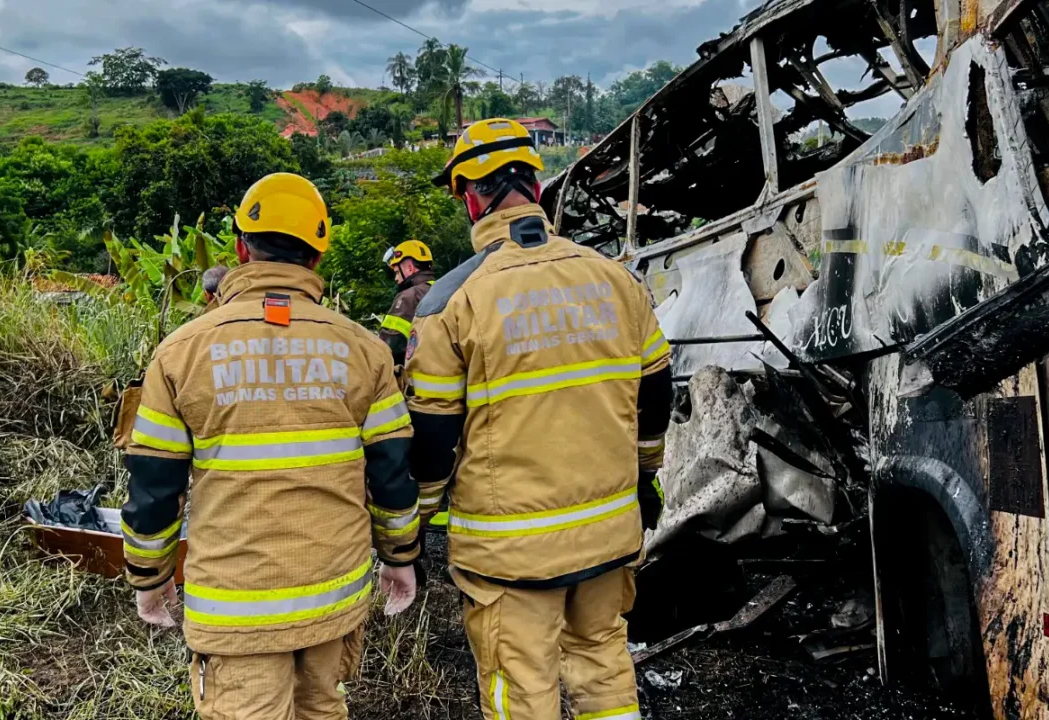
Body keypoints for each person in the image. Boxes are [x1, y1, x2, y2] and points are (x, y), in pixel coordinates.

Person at [121, 174, 421, 720]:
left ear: (241, 248)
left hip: (236, 609)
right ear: (317, 254)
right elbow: (393, 474)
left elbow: (153, 483)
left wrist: (150, 576)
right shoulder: (364, 350)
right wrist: (401, 558)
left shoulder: (181, 352)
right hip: (334, 597)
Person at [405, 118, 673, 719]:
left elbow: (433, 438)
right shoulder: (616, 280)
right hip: (609, 530)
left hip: (511, 553)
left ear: (471, 197)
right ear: (538, 189)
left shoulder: (450, 302)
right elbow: (656, 394)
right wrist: (644, 477)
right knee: (604, 664)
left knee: (520, 686)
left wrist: (415, 526)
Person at [378, 240, 435, 369]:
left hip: (418, 377)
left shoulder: (409, 297)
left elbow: (390, 344)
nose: (396, 279)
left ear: (409, 268)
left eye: (397, 272)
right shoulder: (441, 289)